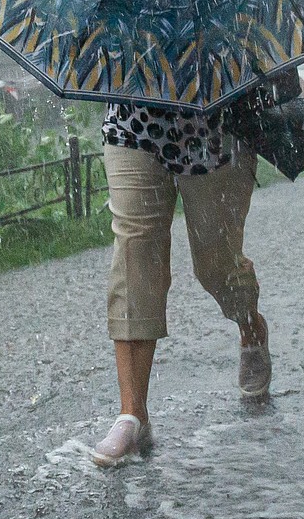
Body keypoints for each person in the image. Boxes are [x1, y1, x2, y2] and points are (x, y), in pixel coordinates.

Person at [91, 96, 272, 468]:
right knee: (135, 246)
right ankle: (132, 414)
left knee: (215, 263)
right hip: (133, 119)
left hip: (216, 124)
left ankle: (250, 326)